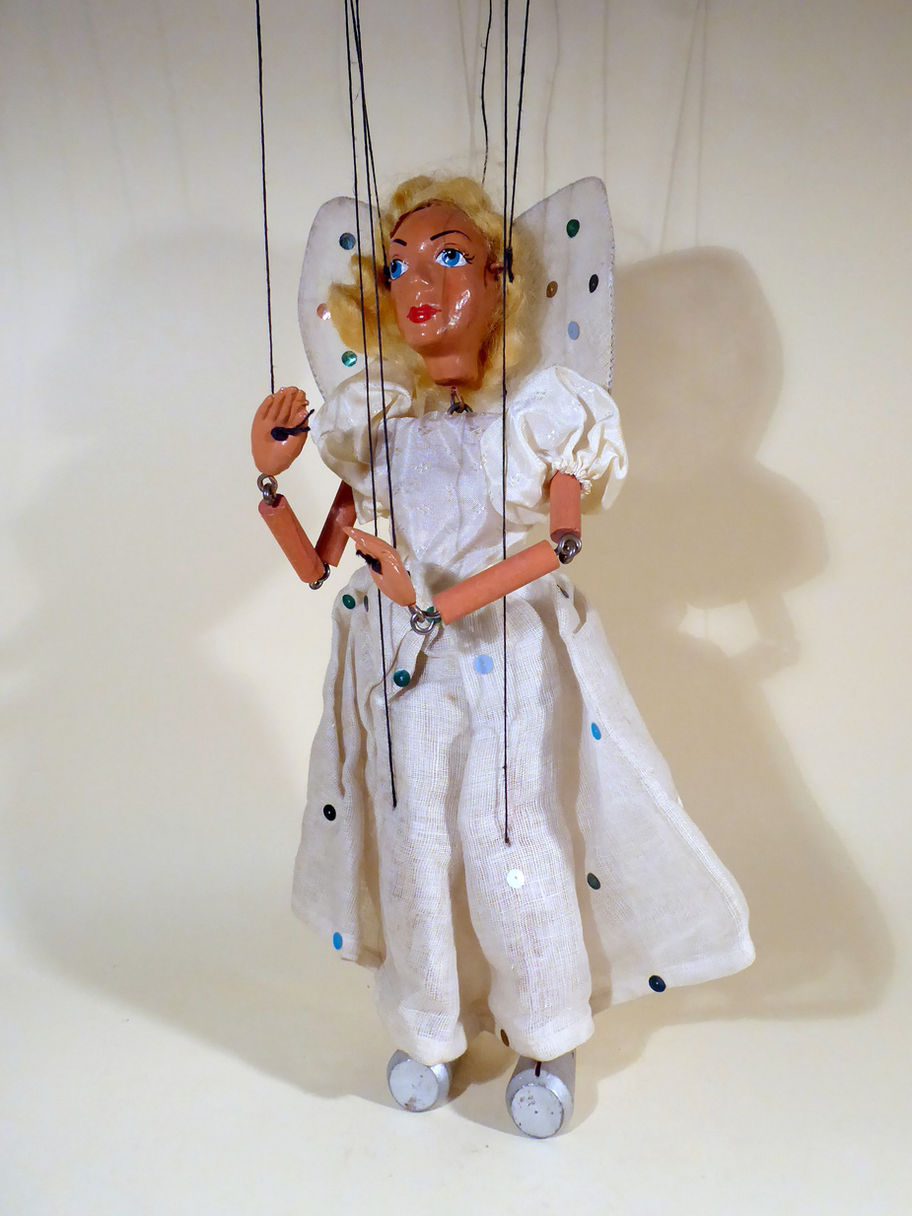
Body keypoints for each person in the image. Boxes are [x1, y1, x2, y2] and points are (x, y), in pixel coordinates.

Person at [251, 176, 754, 1135]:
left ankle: (546, 1033)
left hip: (503, 654)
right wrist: (271, 484)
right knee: (413, 841)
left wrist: (437, 599)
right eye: (398, 267)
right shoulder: (378, 427)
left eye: (450, 258)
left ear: (502, 280)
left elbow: (560, 543)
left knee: (506, 840)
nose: (422, 286)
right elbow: (319, 565)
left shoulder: (541, 414)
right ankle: (428, 1025)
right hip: (406, 670)